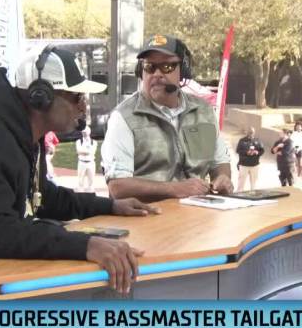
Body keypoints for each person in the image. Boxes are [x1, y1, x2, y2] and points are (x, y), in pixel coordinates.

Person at [0, 45, 159, 300]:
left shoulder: (25, 136)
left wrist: (111, 206)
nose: (83, 107)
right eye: (76, 97)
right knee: (71, 285)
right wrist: (85, 245)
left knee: (82, 276)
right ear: (41, 97)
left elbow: (44, 197)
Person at [101, 34, 233, 202]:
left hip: (198, 213)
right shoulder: (123, 117)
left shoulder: (203, 112)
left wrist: (222, 178)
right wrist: (175, 189)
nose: (156, 74)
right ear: (140, 71)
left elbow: (219, 163)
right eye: (149, 67)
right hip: (148, 215)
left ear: (183, 70)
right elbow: (118, 187)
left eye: (167, 66)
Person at [235, 127, 264, 191]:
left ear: (254, 133)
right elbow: (238, 151)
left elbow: (262, 151)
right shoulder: (242, 141)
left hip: (254, 165)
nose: (251, 133)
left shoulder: (258, 140)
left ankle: (253, 194)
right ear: (247, 132)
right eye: (249, 132)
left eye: (252, 132)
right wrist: (246, 152)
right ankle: (239, 194)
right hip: (244, 165)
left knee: (253, 184)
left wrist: (257, 152)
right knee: (241, 184)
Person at [76, 126, 97, 192]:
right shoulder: (79, 141)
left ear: (89, 132)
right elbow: (79, 151)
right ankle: (80, 192)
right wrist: (87, 151)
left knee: (91, 180)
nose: (84, 133)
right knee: (80, 180)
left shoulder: (94, 142)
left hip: (91, 163)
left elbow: (92, 151)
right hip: (81, 162)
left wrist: (83, 151)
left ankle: (90, 192)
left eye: (85, 132)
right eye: (83, 132)